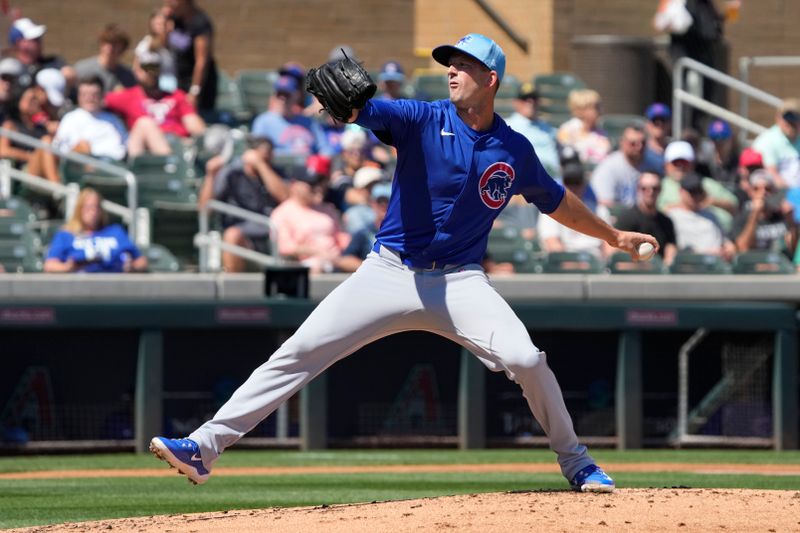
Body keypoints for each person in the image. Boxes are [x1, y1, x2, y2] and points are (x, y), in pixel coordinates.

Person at [150, 33, 658, 492]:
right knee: (299, 351)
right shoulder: (422, 118)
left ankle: (577, 462)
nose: (452, 70)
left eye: (463, 64)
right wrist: (353, 111)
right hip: (387, 272)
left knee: (527, 360)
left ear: (491, 78)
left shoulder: (515, 148)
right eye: (449, 63)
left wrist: (612, 235)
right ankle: (204, 447)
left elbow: (555, 199)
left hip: (459, 281)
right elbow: (372, 113)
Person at [197, 136, 289, 273]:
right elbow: (204, 210)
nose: (268, 159)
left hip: (273, 234)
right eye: (262, 156)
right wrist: (211, 176)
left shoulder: (275, 173)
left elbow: (285, 198)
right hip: (243, 237)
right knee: (232, 235)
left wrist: (261, 166)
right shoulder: (231, 174)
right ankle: (232, 287)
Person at [105, 47, 206, 157]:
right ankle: (172, 163)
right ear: (136, 70)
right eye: (146, 67)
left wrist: (203, 137)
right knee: (144, 123)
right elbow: (93, 100)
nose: (150, 72)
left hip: (178, 143)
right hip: (148, 150)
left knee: (213, 134)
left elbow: (193, 124)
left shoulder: (177, 96)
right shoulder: (127, 96)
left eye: (154, 67)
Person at [44, 188, 148, 273]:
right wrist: (68, 268)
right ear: (79, 209)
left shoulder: (115, 232)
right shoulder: (66, 234)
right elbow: (50, 265)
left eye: (96, 207)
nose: (93, 212)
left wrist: (132, 267)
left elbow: (141, 261)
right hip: (79, 285)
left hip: (114, 284)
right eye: (88, 208)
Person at [269, 165, 349, 274]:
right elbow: (284, 247)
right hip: (304, 263)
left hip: (336, 259)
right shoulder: (282, 213)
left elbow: (342, 238)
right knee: (317, 267)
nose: (316, 188)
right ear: (294, 185)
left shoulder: (327, 209)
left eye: (317, 183)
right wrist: (317, 252)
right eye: (310, 185)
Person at [657, 140, 738, 232]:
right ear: (666, 164)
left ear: (693, 163)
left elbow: (734, 205)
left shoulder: (708, 184)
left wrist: (712, 201)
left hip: (718, 235)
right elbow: (655, 213)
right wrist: (688, 205)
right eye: (675, 162)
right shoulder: (657, 186)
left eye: (684, 162)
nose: (680, 166)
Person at [539, 161, 613, 259]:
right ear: (563, 183)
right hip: (566, 264)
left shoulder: (599, 210)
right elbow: (553, 244)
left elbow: (609, 243)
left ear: (584, 184)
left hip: (596, 262)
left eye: (577, 183)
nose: (573, 188)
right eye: (569, 183)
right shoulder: (550, 209)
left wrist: (609, 263)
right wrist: (574, 265)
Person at [251, 75, 330, 158]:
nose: (282, 99)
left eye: (286, 94)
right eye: (279, 94)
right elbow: (257, 153)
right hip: (279, 168)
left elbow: (325, 149)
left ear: (296, 96)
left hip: (308, 167)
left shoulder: (309, 122)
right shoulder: (263, 122)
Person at [53, 76, 128, 162]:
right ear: (78, 96)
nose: (89, 98)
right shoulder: (70, 118)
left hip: (111, 164)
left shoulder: (113, 120)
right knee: (83, 146)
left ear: (102, 95)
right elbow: (58, 147)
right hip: (78, 165)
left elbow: (125, 145)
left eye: (94, 94)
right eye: (84, 95)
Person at [164, 0, 218, 113]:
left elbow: (202, 61)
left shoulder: (200, 23)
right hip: (176, 81)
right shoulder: (174, 19)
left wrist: (194, 91)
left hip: (195, 83)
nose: (167, 4)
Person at [615, 171, 678, 265]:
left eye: (655, 188)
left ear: (660, 190)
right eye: (644, 188)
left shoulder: (666, 221)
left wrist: (666, 268)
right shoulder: (626, 217)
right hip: (630, 273)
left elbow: (670, 250)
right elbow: (613, 250)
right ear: (638, 190)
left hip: (658, 275)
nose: (650, 192)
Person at [668, 171, 735, 258]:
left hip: (717, 266)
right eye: (692, 192)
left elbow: (726, 243)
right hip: (691, 266)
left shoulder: (711, 215)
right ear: (681, 192)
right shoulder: (672, 217)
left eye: (699, 191)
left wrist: (729, 249)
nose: (696, 195)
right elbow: (676, 250)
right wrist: (709, 253)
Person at [0, 86, 60, 183]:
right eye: (31, 99)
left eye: (36, 100)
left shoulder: (42, 129)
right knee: (46, 141)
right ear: (20, 102)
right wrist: (31, 156)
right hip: (23, 173)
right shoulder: (11, 125)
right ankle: (57, 186)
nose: (35, 103)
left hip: (42, 171)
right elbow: (3, 150)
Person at [732, 169, 797, 255]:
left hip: (781, 264)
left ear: (774, 192)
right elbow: (742, 248)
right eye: (756, 189)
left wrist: (791, 221)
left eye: (768, 189)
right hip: (754, 265)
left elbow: (794, 249)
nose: (763, 192)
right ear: (750, 192)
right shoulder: (742, 216)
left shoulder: (782, 216)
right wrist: (754, 215)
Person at [506, 82, 560, 179]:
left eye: (534, 98)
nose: (530, 103)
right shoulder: (507, 126)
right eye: (525, 99)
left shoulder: (548, 128)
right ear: (515, 102)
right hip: (523, 181)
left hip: (553, 180)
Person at [589, 124, 648, 209]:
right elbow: (604, 203)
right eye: (633, 143)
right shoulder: (608, 168)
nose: (639, 147)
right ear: (622, 142)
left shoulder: (650, 163)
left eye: (643, 143)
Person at [337, 181, 391, 272]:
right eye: (380, 201)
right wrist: (374, 269)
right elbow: (345, 260)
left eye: (389, 201)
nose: (383, 205)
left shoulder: (404, 235)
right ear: (373, 204)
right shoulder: (364, 233)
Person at [7, 17, 73, 89]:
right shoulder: (9, 69)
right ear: (19, 43)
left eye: (39, 38)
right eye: (34, 39)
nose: (39, 42)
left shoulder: (53, 62)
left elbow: (70, 75)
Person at [74, 23, 136, 93]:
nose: (110, 47)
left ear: (123, 47)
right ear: (101, 44)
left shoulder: (128, 76)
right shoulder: (82, 69)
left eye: (115, 44)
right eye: (107, 42)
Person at [752, 100, 800, 190]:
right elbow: (773, 177)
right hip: (776, 195)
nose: (791, 123)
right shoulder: (767, 140)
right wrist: (795, 196)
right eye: (787, 117)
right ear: (778, 118)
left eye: (796, 118)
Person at [556, 88, 611, 166]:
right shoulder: (567, 130)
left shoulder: (602, 134)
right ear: (581, 110)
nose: (600, 111)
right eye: (596, 107)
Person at [135, 7, 178, 93]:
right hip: (157, 91)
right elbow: (144, 73)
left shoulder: (174, 44)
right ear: (152, 26)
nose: (162, 27)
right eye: (158, 24)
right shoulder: (146, 46)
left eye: (164, 24)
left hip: (175, 88)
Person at [643, 102, 672, 173]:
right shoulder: (640, 150)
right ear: (648, 125)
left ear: (669, 124)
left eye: (663, 120)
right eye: (655, 121)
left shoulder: (674, 150)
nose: (660, 124)